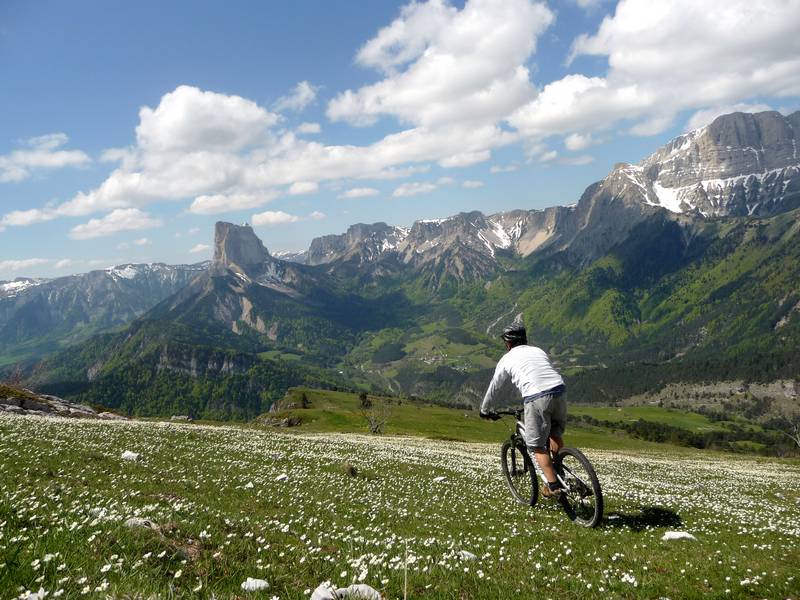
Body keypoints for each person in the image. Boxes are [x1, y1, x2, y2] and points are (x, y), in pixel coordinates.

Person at [480, 323, 566, 498]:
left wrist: (485, 409)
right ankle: (557, 470)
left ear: (508, 343)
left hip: (537, 396)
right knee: (554, 434)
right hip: (560, 390)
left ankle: (553, 486)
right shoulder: (538, 350)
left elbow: (495, 386)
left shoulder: (507, 358)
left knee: (536, 446)